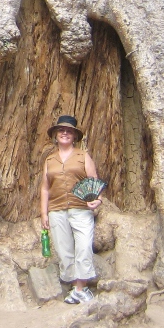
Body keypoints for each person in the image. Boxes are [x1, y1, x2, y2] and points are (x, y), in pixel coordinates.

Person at [40, 114, 103, 304]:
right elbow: (45, 188)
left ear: (75, 136)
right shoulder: (49, 160)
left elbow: (93, 180)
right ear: (56, 134)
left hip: (80, 208)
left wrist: (98, 199)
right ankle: (76, 288)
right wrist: (44, 213)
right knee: (64, 249)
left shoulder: (82, 156)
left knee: (83, 246)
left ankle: (81, 289)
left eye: (69, 131)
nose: (65, 133)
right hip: (57, 209)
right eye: (61, 130)